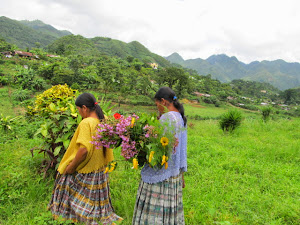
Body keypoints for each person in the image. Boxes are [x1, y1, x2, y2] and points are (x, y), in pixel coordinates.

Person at [48, 93, 123, 225]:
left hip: (87, 167)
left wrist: (71, 167)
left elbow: (83, 150)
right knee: (93, 198)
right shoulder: (104, 119)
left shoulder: (86, 123)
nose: (78, 113)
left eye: (78, 109)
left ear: (84, 108)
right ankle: (95, 215)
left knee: (65, 181)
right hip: (100, 168)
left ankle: (73, 215)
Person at [132, 87, 187, 225]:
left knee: (155, 210)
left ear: (163, 101)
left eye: (157, 104)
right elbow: (181, 149)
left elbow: (158, 147)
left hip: (161, 172)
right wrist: (182, 175)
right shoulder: (179, 117)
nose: (158, 108)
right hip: (174, 173)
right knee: (168, 210)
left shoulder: (167, 117)